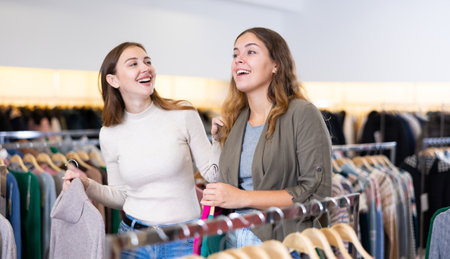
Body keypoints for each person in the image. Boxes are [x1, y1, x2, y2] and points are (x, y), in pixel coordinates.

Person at [62, 42, 220, 259]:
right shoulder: (109, 133)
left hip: (184, 238)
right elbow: (120, 196)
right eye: (133, 64)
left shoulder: (183, 113)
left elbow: (214, 174)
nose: (145, 68)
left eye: (147, 61)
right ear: (113, 80)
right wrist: (87, 185)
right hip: (133, 240)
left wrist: (220, 141)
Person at [200, 27, 332, 249]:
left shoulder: (302, 114)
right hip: (230, 242)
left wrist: (242, 198)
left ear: (276, 65)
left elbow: (315, 194)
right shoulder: (235, 120)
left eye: (250, 52)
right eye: (235, 54)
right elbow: (223, 187)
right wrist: (217, 145)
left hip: (281, 244)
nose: (239, 60)